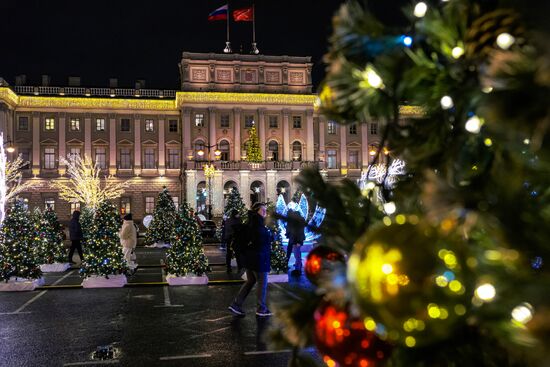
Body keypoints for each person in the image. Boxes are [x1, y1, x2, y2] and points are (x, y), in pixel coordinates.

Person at [228, 202, 272, 317]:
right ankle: (261, 308)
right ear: (257, 210)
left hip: (251, 259)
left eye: (265, 210)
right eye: (263, 210)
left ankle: (236, 304)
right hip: (259, 259)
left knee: (251, 281)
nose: (265, 213)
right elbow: (261, 240)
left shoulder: (252, 221)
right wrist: (271, 236)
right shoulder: (257, 223)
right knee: (262, 282)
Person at [285, 209, 307, 276]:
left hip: (296, 240)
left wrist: (297, 241)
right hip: (296, 240)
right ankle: (298, 267)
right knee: (297, 254)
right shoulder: (299, 221)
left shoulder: (297, 222)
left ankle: (298, 269)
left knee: (296, 254)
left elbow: (298, 232)